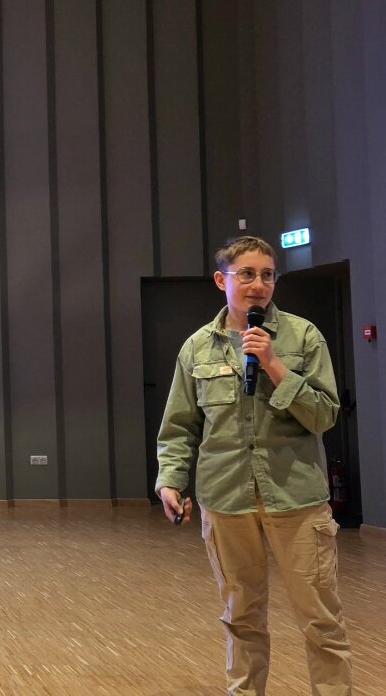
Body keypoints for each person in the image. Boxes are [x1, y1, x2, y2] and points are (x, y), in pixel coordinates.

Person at [155, 236, 352, 695]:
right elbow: (179, 426)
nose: (258, 284)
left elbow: (324, 415)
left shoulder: (303, 337)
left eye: (267, 274)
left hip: (296, 498)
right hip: (226, 499)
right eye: (246, 274)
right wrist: (170, 481)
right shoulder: (196, 348)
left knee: (321, 621)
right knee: (241, 618)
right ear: (221, 280)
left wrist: (273, 364)